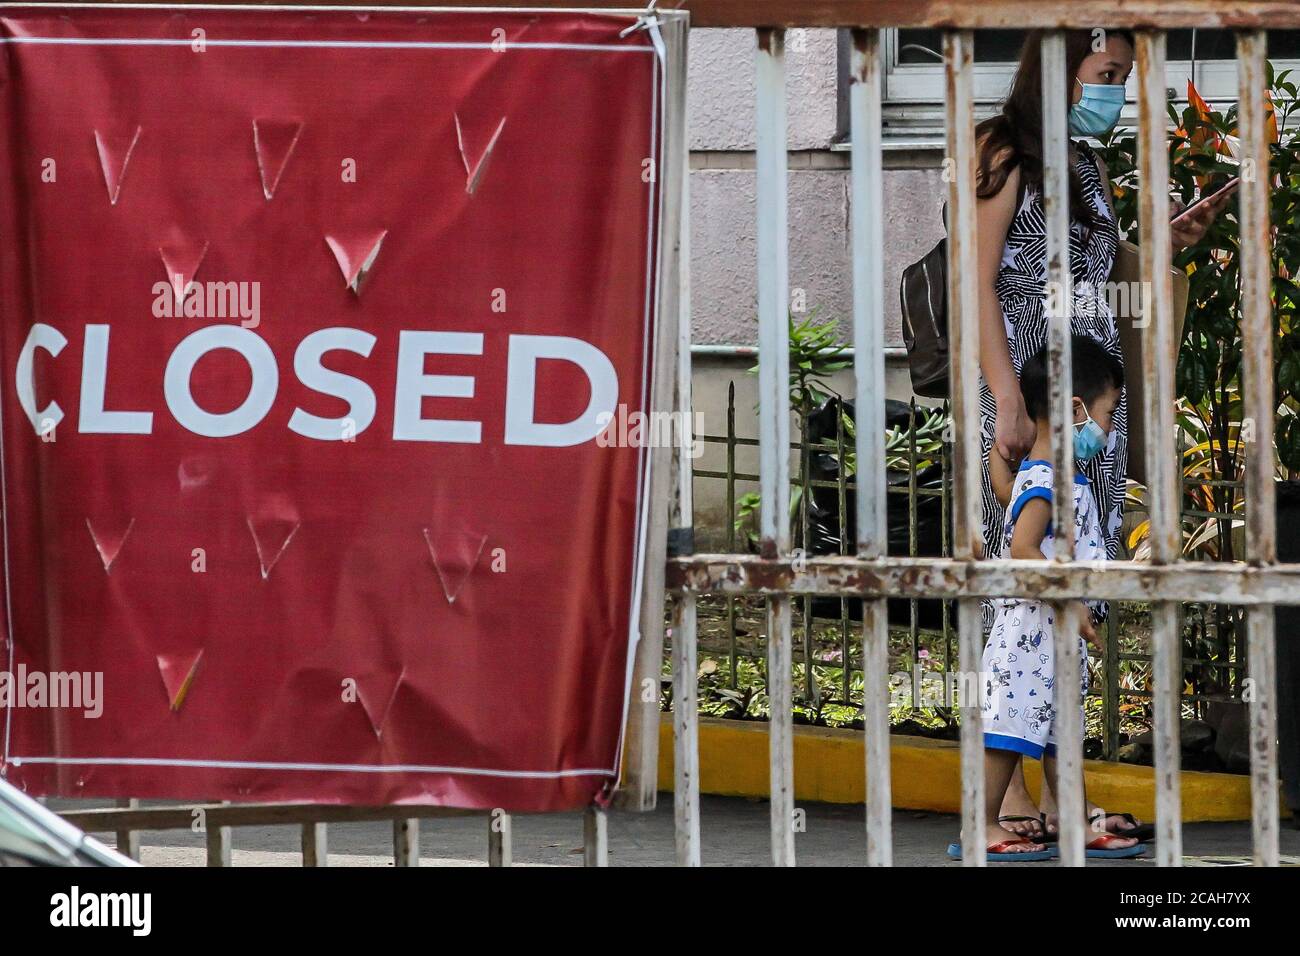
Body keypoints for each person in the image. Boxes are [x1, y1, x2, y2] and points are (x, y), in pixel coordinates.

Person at [973, 28, 1229, 838]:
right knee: (1021, 591)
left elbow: (1090, 266)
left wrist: (1159, 244)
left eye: (1121, 75)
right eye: (1105, 73)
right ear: (1060, 68)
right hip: (1030, 386)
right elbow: (976, 279)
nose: (1115, 89)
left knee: (1077, 586)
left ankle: (1056, 796)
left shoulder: (1083, 163)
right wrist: (1008, 400)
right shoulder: (1003, 150)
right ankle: (1012, 801)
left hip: (1090, 388)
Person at [949, 336, 1137, 861]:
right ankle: (981, 825)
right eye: (1108, 412)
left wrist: (997, 467)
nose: (1108, 427)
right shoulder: (1052, 481)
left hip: (1051, 633)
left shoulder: (1047, 477)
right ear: (1075, 409)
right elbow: (1023, 548)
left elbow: (1013, 500)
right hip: (1033, 628)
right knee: (1008, 731)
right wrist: (1069, 604)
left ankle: (1072, 819)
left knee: (1062, 732)